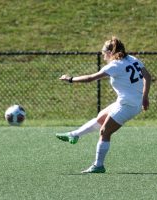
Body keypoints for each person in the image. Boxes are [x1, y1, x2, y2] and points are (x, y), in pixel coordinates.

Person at [56, 36, 151, 173]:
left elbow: (90, 78)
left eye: (103, 52)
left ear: (110, 52)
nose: (103, 55)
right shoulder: (131, 59)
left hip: (128, 105)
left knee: (104, 131)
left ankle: (98, 165)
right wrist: (145, 97)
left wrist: (70, 79)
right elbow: (147, 76)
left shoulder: (115, 65)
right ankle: (74, 134)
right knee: (101, 118)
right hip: (129, 101)